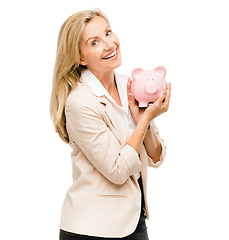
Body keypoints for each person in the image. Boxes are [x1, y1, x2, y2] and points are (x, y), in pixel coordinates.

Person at [50, 8, 171, 240]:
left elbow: (156, 157)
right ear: (80, 58)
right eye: (94, 42)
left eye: (108, 33)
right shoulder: (80, 102)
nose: (109, 44)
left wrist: (143, 123)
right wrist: (144, 119)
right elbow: (117, 171)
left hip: (134, 220)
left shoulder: (130, 85)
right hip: (92, 229)